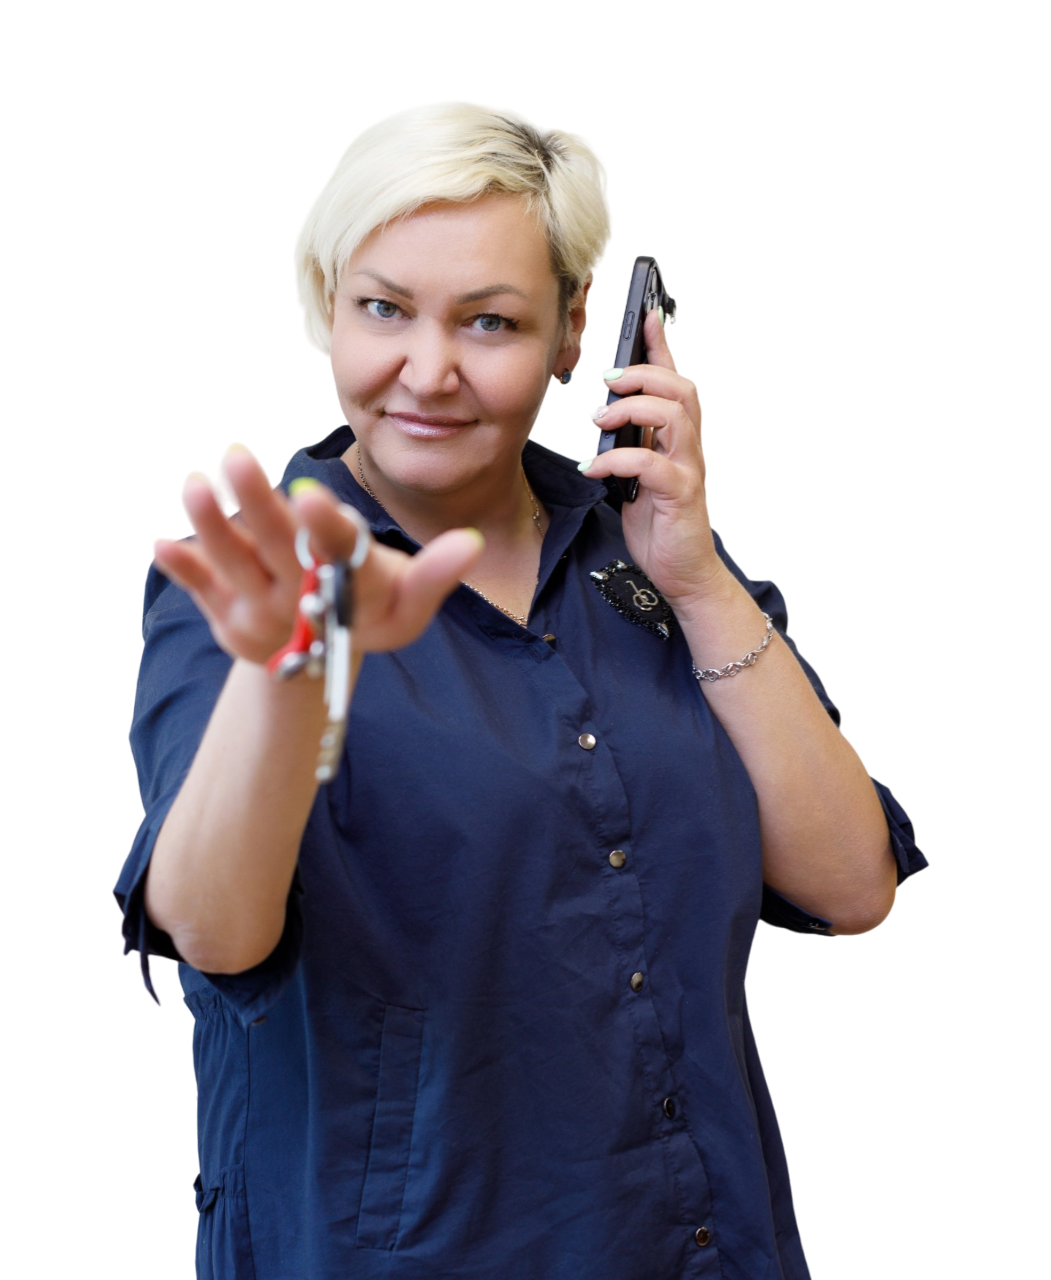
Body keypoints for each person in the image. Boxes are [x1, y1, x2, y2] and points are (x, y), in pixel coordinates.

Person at [113, 101, 927, 1280]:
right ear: (324, 307)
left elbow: (852, 888)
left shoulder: (646, 556)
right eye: (382, 308)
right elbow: (212, 928)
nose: (427, 370)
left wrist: (697, 580)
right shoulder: (251, 581)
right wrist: (292, 671)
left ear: (572, 329)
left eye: (488, 320)